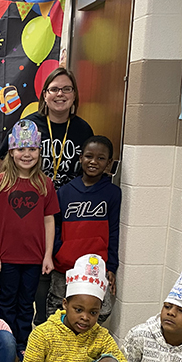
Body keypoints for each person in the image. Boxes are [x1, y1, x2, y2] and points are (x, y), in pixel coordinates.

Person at [0, 67, 95, 326]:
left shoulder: (83, 129)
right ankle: (21, 332)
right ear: (44, 94)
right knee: (26, 281)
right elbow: (1, 155)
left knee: (48, 274)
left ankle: (47, 331)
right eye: (54, 89)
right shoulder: (29, 124)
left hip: (70, 215)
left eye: (66, 89)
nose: (60, 94)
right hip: (30, 214)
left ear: (74, 95)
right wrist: (13, 184)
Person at [0, 119, 59, 357]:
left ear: (39, 151)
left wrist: (47, 255)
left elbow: (49, 221)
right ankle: (5, 341)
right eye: (21, 149)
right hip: (6, 257)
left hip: (34, 258)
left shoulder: (45, 184)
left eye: (32, 149)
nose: (27, 154)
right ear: (11, 152)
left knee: (27, 303)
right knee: (6, 301)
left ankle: (22, 342)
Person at [51, 135, 120, 322]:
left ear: (108, 163)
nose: (93, 162)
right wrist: (58, 251)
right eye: (89, 156)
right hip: (64, 265)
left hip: (96, 266)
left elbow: (114, 231)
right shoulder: (64, 192)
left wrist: (111, 266)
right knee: (58, 309)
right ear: (80, 158)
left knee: (100, 311)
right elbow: (54, 226)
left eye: (101, 158)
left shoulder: (113, 193)